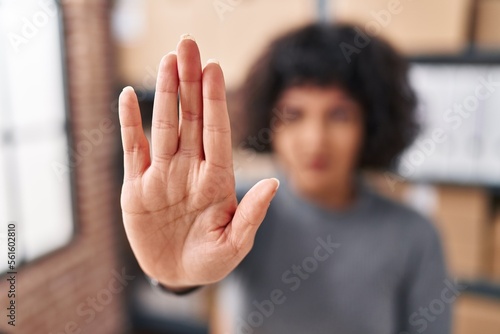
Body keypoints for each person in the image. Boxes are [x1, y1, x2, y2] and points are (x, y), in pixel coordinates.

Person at [118, 23, 452, 334]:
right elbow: (192, 270)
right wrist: (173, 277)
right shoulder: (234, 211)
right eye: (293, 115)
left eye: (339, 115)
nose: (315, 139)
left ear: (371, 123)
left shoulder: (414, 236)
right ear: (269, 121)